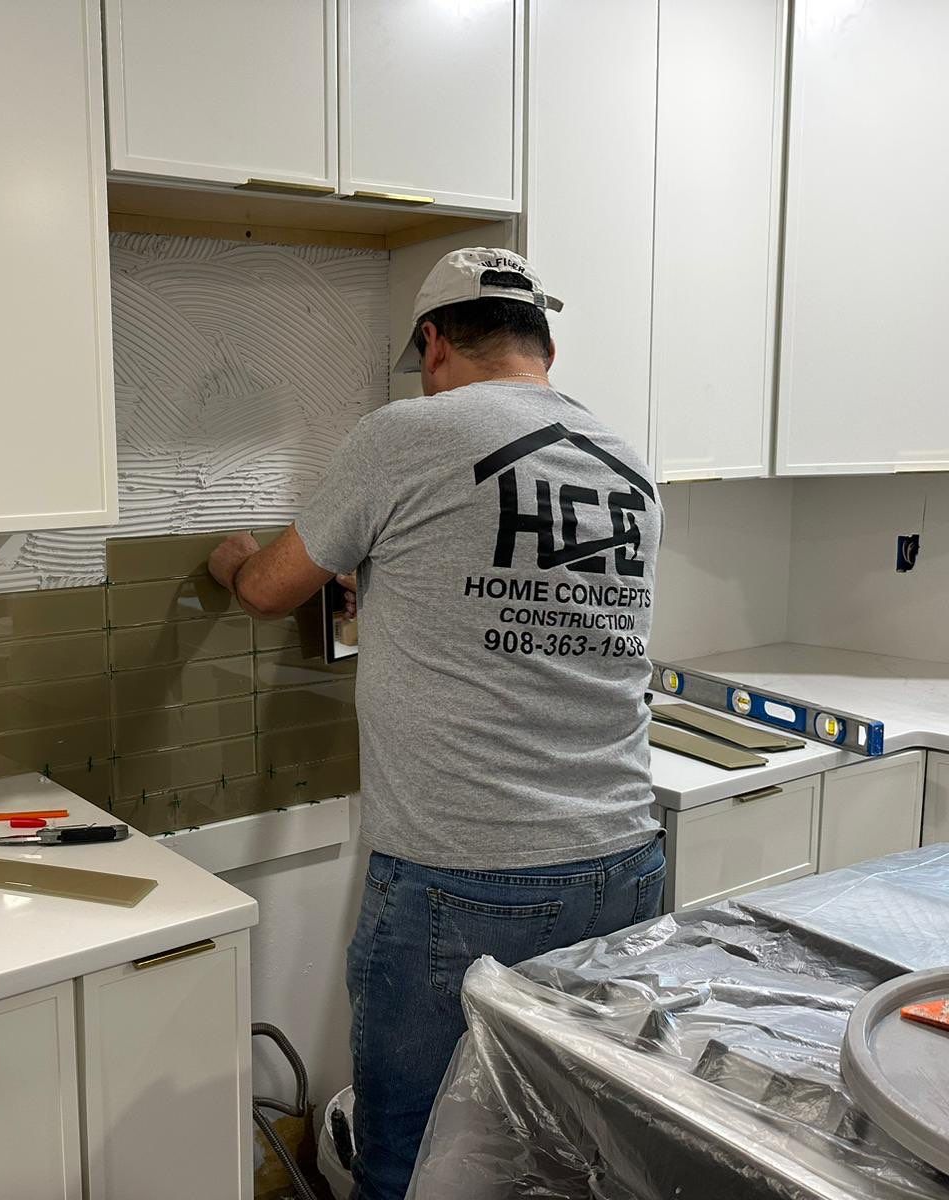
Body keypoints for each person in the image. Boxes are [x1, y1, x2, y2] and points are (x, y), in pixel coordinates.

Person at [207, 248, 665, 1200]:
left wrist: (231, 560)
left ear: (433, 343)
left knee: (414, 1164)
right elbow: (509, 587)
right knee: (571, 1160)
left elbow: (265, 591)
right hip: (625, 866)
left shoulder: (404, 435)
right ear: (545, 342)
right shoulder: (626, 460)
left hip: (467, 883)